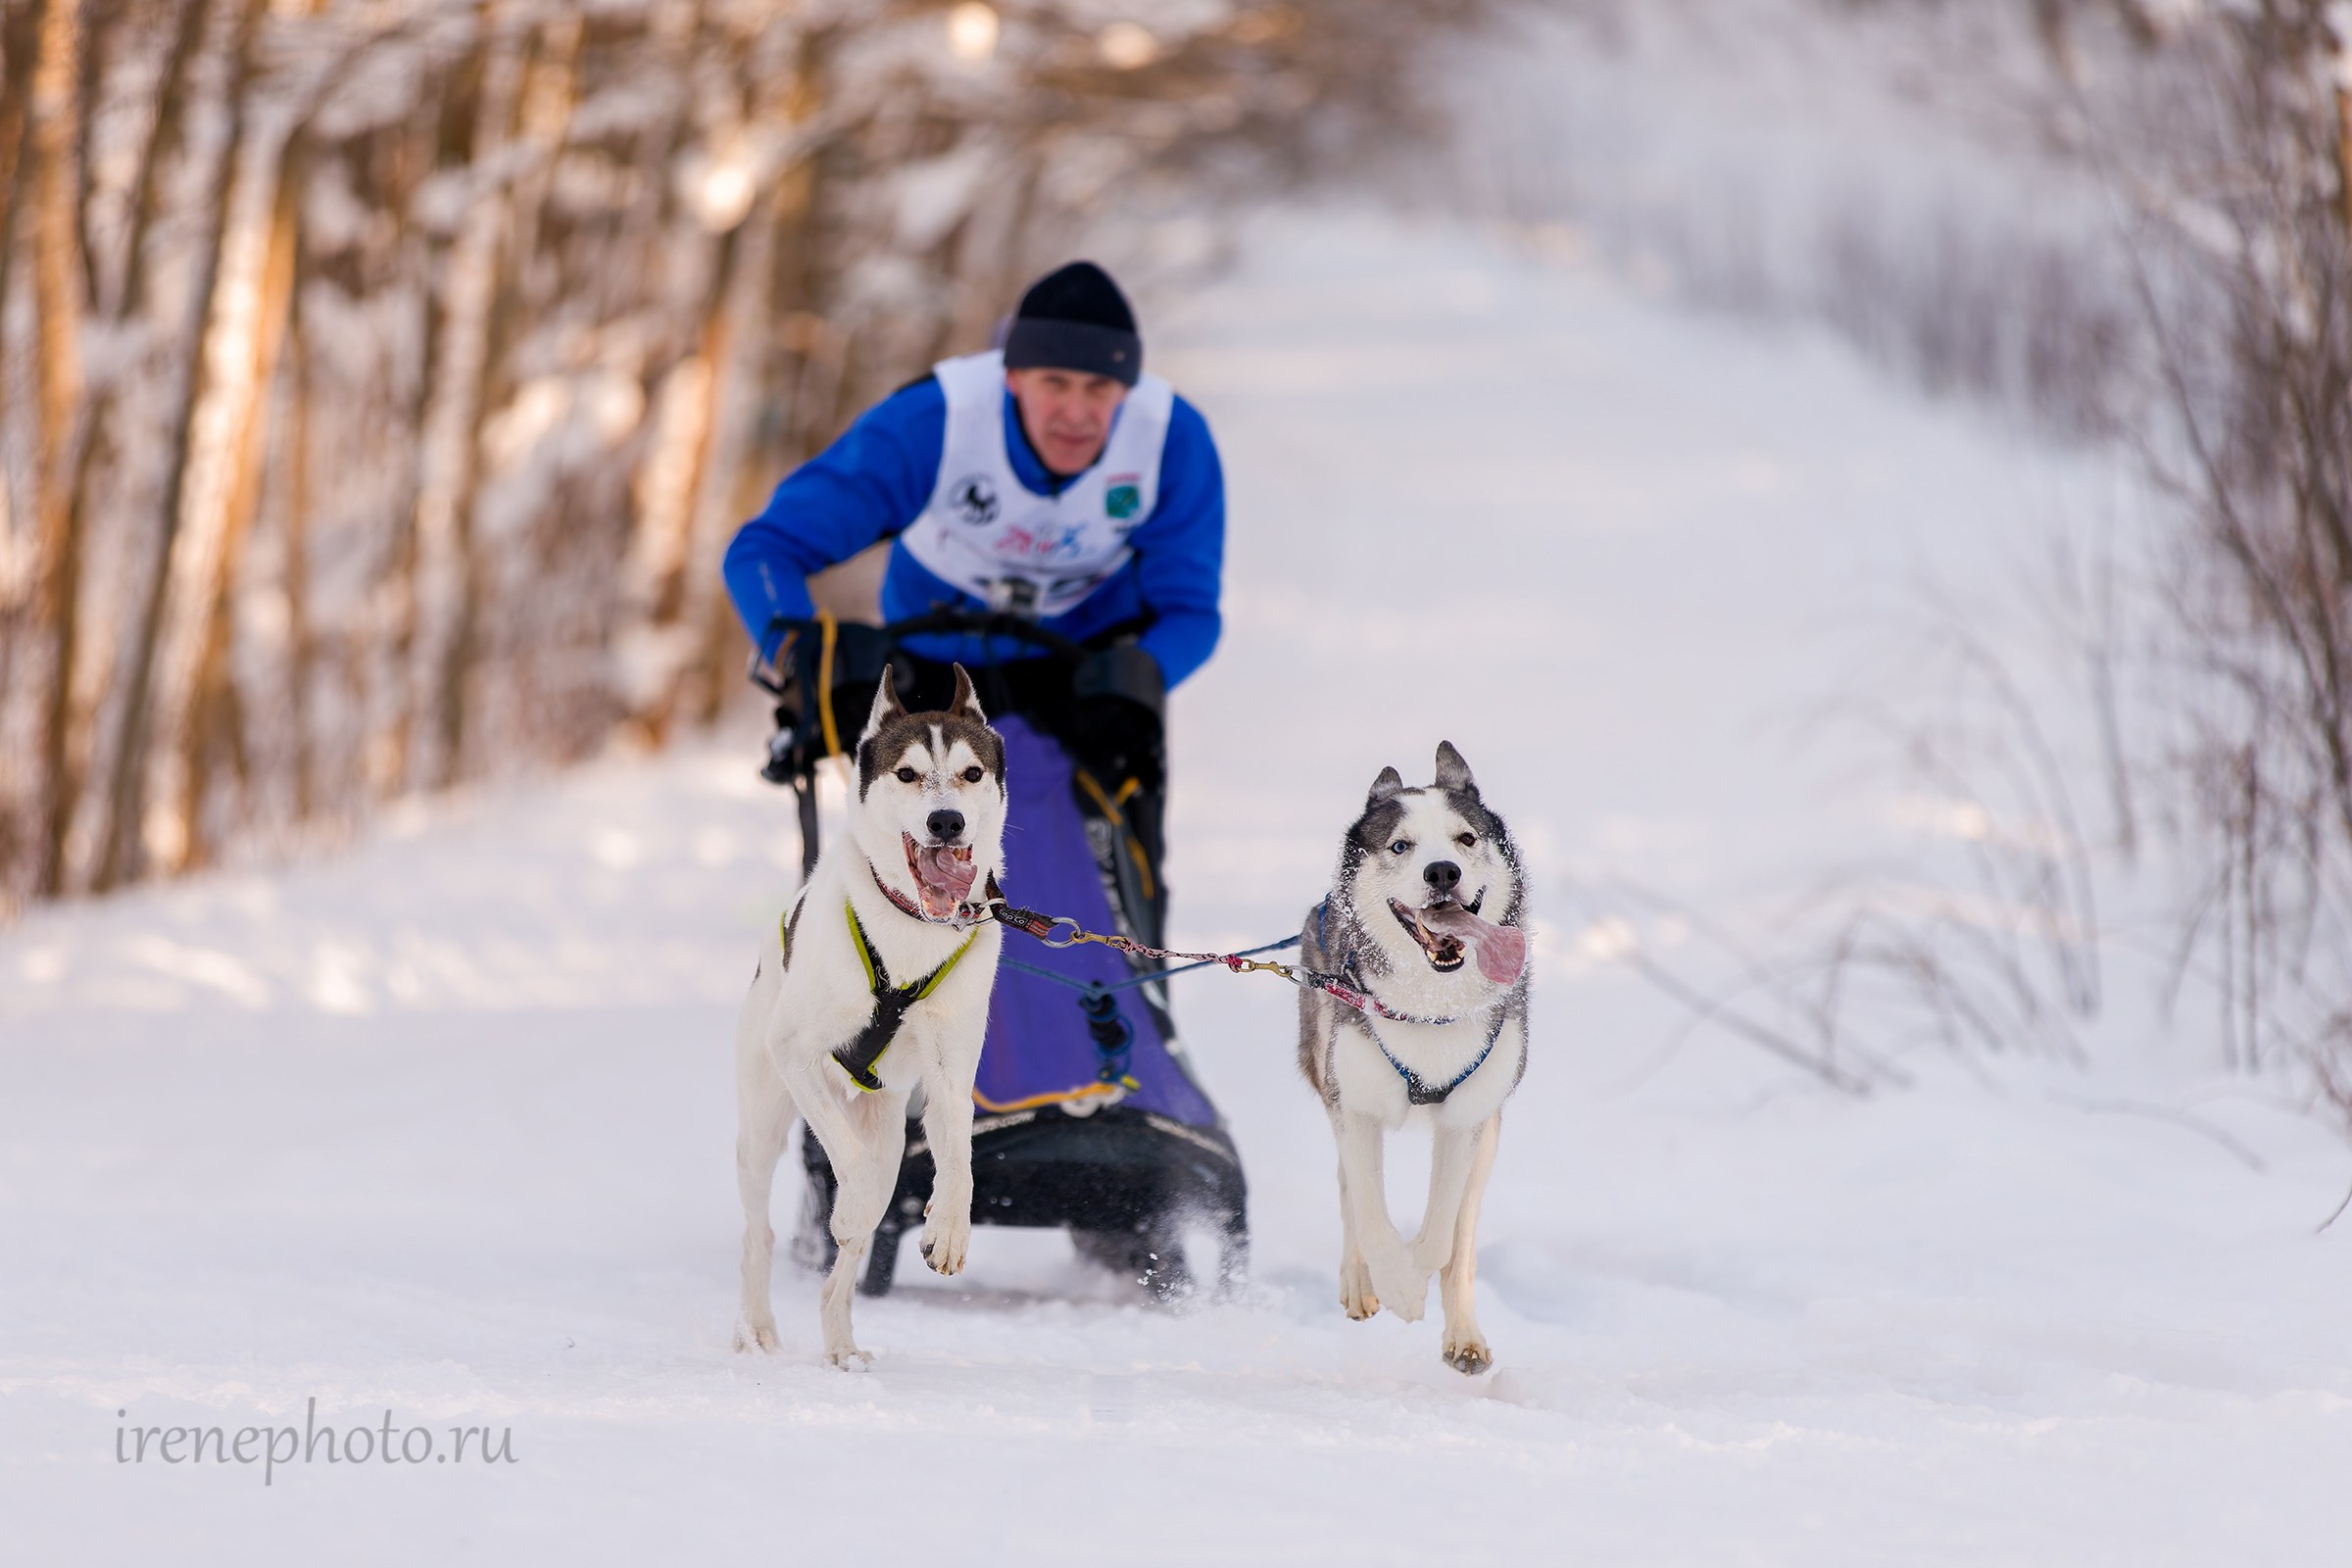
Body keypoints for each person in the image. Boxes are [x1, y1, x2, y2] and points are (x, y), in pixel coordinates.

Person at [722, 261, 1226, 906]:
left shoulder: (1170, 441)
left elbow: (1191, 611)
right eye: (1054, 383)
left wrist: (1138, 677)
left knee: (1070, 895)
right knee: (924, 887)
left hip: (1081, 670)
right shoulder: (934, 422)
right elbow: (762, 551)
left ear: (1127, 389)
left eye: (1100, 388)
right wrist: (801, 660)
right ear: (1011, 376)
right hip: (933, 666)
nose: (1076, 413)